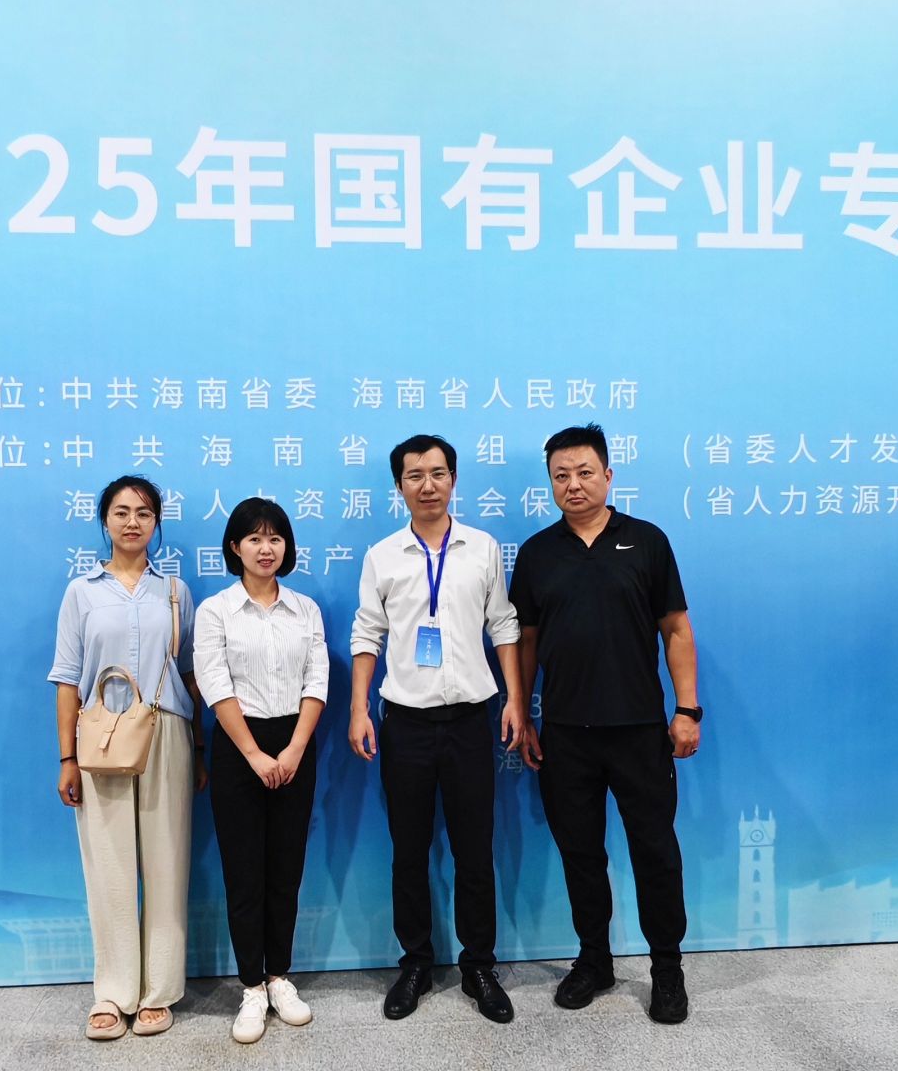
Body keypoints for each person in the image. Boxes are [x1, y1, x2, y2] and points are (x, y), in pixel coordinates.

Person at [510, 424, 701, 1025]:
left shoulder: (646, 541)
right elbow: (527, 641)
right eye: (560, 476)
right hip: (566, 733)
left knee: (655, 851)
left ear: (608, 475)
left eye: (584, 472)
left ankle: (667, 969)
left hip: (639, 729)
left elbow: (676, 629)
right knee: (580, 855)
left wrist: (687, 709)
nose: (573, 484)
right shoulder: (537, 553)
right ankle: (594, 960)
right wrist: (525, 713)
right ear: (550, 484)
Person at [347, 433, 528, 1024]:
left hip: (471, 720)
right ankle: (416, 964)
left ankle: (479, 966)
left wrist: (514, 700)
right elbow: (367, 633)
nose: (428, 485)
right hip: (405, 724)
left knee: (476, 849)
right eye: (415, 476)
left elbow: (503, 625)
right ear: (398, 486)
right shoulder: (383, 555)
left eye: (438, 473)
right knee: (409, 851)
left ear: (453, 479)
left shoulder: (481, 548)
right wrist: (358, 708)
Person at [50, 475, 206, 1040]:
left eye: (143, 512)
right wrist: (67, 758)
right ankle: (113, 993)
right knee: (110, 869)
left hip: (167, 731)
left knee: (167, 863)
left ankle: (159, 992)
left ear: (156, 523)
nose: (132, 522)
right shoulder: (81, 592)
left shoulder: (176, 592)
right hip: (101, 737)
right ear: (105, 521)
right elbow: (67, 679)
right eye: (121, 512)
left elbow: (191, 673)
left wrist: (202, 746)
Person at [194, 497, 328, 1044]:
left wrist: (294, 748)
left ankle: (280, 978)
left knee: (285, 868)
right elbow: (214, 683)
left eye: (275, 538)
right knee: (244, 871)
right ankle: (251, 985)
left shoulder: (305, 609)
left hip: (295, 744)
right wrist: (253, 754)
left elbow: (317, 679)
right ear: (235, 547)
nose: (265, 548)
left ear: (286, 547)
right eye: (254, 538)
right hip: (237, 746)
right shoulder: (215, 611)